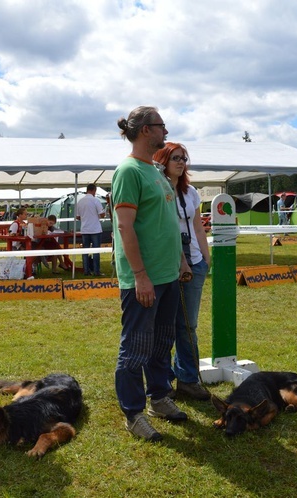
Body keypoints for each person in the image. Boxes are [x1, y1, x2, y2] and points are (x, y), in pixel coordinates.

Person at [112, 106, 187, 442]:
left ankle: (159, 398)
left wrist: (182, 260)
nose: (166, 132)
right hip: (144, 278)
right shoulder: (129, 171)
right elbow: (124, 226)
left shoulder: (155, 169)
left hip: (168, 275)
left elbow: (168, 222)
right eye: (161, 126)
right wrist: (140, 275)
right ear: (145, 130)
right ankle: (133, 414)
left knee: (161, 343)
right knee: (136, 349)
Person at [153, 142, 211, 401]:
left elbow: (198, 226)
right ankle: (163, 380)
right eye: (175, 158)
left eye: (184, 158)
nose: (180, 162)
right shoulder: (158, 189)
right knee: (164, 325)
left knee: (188, 326)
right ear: (163, 160)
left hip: (194, 262)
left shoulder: (191, 193)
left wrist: (206, 258)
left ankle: (187, 379)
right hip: (167, 264)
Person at [75, 183, 105, 276]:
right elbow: (102, 214)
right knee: (96, 251)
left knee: (85, 251)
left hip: (84, 229)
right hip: (95, 229)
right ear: (93, 190)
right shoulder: (96, 201)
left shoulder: (80, 201)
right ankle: (96, 271)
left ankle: (86, 271)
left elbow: (78, 217)